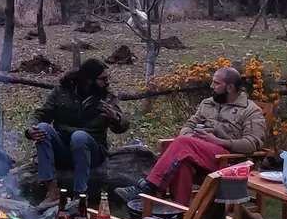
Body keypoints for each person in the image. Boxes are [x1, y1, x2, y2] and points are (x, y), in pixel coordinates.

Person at [118, 66, 268, 208]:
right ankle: (179, 212)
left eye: (216, 83)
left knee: (183, 144)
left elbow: (251, 144)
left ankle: (150, 186)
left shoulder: (250, 110)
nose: (211, 86)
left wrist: (217, 141)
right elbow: (188, 126)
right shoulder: (207, 104)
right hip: (199, 152)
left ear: (229, 87)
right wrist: (192, 137)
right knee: (183, 162)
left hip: (227, 159)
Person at [24, 59, 130, 203]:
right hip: (63, 147)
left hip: (91, 150)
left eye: (108, 77)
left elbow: (123, 127)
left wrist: (115, 118)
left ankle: (80, 196)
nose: (107, 82)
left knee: (79, 137)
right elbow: (41, 114)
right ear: (88, 80)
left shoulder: (107, 96)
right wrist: (30, 129)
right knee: (43, 128)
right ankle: (52, 191)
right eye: (103, 79)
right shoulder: (62, 90)